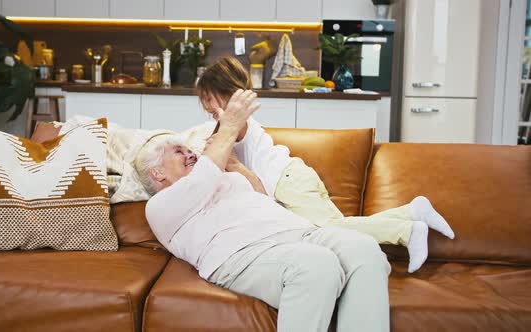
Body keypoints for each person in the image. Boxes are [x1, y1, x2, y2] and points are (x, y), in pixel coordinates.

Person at [139, 89, 391, 332]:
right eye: (179, 152)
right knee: (316, 266)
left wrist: (235, 165)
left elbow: (261, 195)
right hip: (241, 253)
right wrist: (228, 127)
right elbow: (202, 178)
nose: (191, 154)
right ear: (157, 173)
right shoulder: (161, 206)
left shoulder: (222, 176)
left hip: (296, 232)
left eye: (190, 149)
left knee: (364, 249)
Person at [195, 57, 455, 273]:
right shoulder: (231, 127)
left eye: (209, 98)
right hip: (294, 179)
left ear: (229, 94)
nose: (206, 106)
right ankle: (411, 211)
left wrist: (223, 151)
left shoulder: (236, 125)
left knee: (329, 230)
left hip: (288, 183)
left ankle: (407, 231)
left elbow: (245, 177)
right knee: (340, 230)